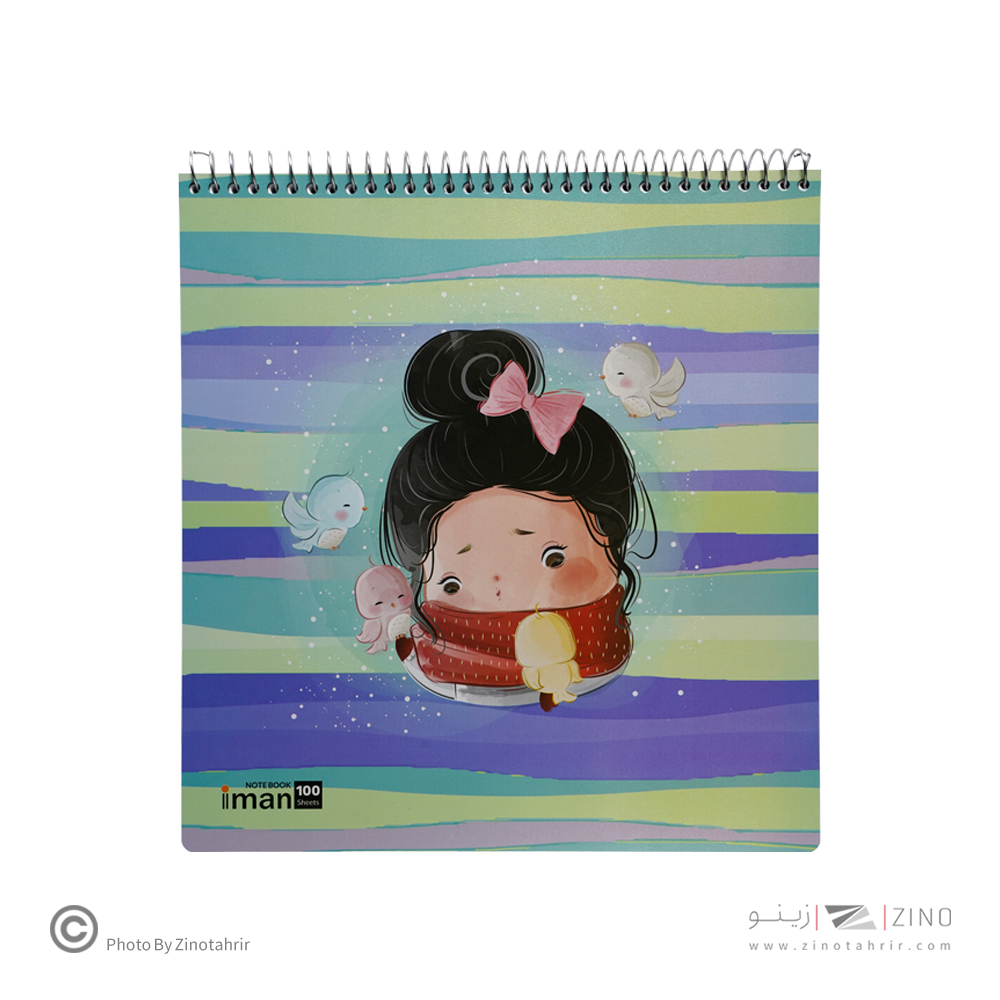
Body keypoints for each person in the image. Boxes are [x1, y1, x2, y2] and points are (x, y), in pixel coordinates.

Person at [379, 328, 654, 709]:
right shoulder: (428, 661)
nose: (501, 589)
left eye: (554, 558)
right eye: (451, 583)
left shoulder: (608, 657)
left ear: (610, 537)